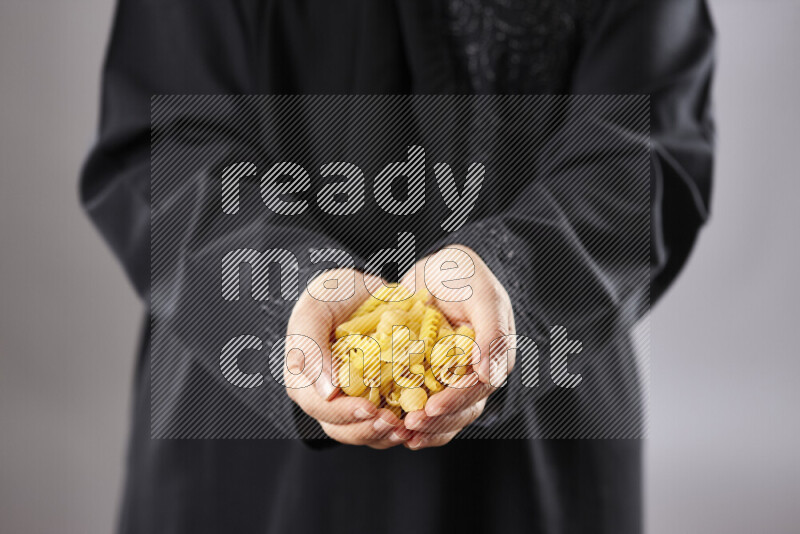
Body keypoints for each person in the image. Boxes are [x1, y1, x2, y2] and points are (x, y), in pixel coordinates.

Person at [80, 1, 715, 532]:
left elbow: (645, 149)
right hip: (244, 440)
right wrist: (282, 296)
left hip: (533, 429)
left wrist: (510, 277)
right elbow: (163, 141)